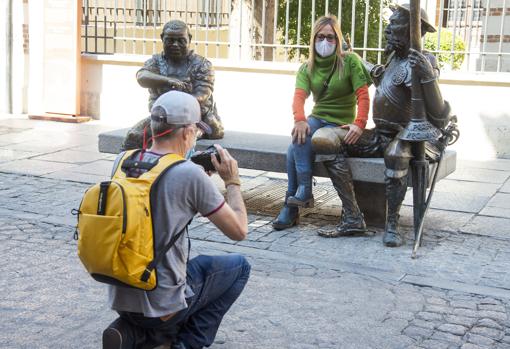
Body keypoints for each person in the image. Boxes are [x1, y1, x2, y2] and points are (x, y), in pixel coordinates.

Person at [103, 91, 250, 349]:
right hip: (163, 305)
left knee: (197, 266)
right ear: (186, 132)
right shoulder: (189, 175)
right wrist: (232, 181)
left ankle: (133, 334)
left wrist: (192, 176)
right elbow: (239, 231)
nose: (196, 136)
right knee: (239, 267)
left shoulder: (123, 160)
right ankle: (179, 344)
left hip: (121, 294)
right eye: (196, 131)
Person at [312, 4, 454, 247]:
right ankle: (353, 217)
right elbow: (380, 77)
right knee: (324, 138)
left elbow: (440, 115)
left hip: (410, 138)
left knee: (396, 153)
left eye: (394, 24)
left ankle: (392, 224)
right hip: (380, 135)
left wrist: (427, 74)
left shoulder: (424, 60)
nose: (388, 30)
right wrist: (355, 57)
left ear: (411, 30)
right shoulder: (394, 59)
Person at [272, 15, 372, 236]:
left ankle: (292, 205)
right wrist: (299, 119)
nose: (325, 42)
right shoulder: (307, 67)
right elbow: (298, 97)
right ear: (313, 39)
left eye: (330, 37)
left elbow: (363, 96)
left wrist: (359, 124)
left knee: (293, 149)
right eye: (320, 37)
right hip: (319, 118)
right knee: (297, 137)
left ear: (337, 39)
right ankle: (303, 192)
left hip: (341, 125)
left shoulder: (350, 61)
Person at [122, 19, 224, 151]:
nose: (175, 45)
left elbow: (202, 95)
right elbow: (142, 76)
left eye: (181, 40)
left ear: (189, 39)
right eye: (170, 40)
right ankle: (130, 169)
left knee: (180, 140)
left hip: (193, 119)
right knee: (133, 136)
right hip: (161, 119)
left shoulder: (202, 64)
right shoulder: (156, 62)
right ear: (162, 39)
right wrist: (168, 81)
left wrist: (176, 102)